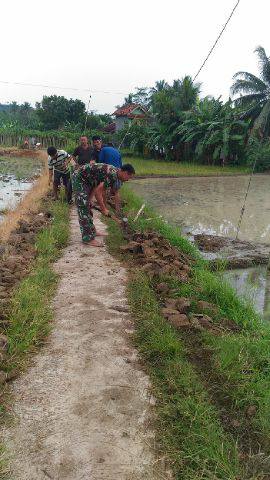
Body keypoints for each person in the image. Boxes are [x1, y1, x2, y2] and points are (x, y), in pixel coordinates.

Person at [73, 163, 135, 246]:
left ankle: (92, 231)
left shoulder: (115, 174)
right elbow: (99, 192)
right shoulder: (112, 175)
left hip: (89, 180)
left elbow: (96, 185)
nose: (128, 180)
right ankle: (87, 238)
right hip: (79, 178)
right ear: (125, 172)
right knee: (83, 206)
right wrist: (103, 208)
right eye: (129, 177)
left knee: (88, 204)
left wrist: (90, 199)